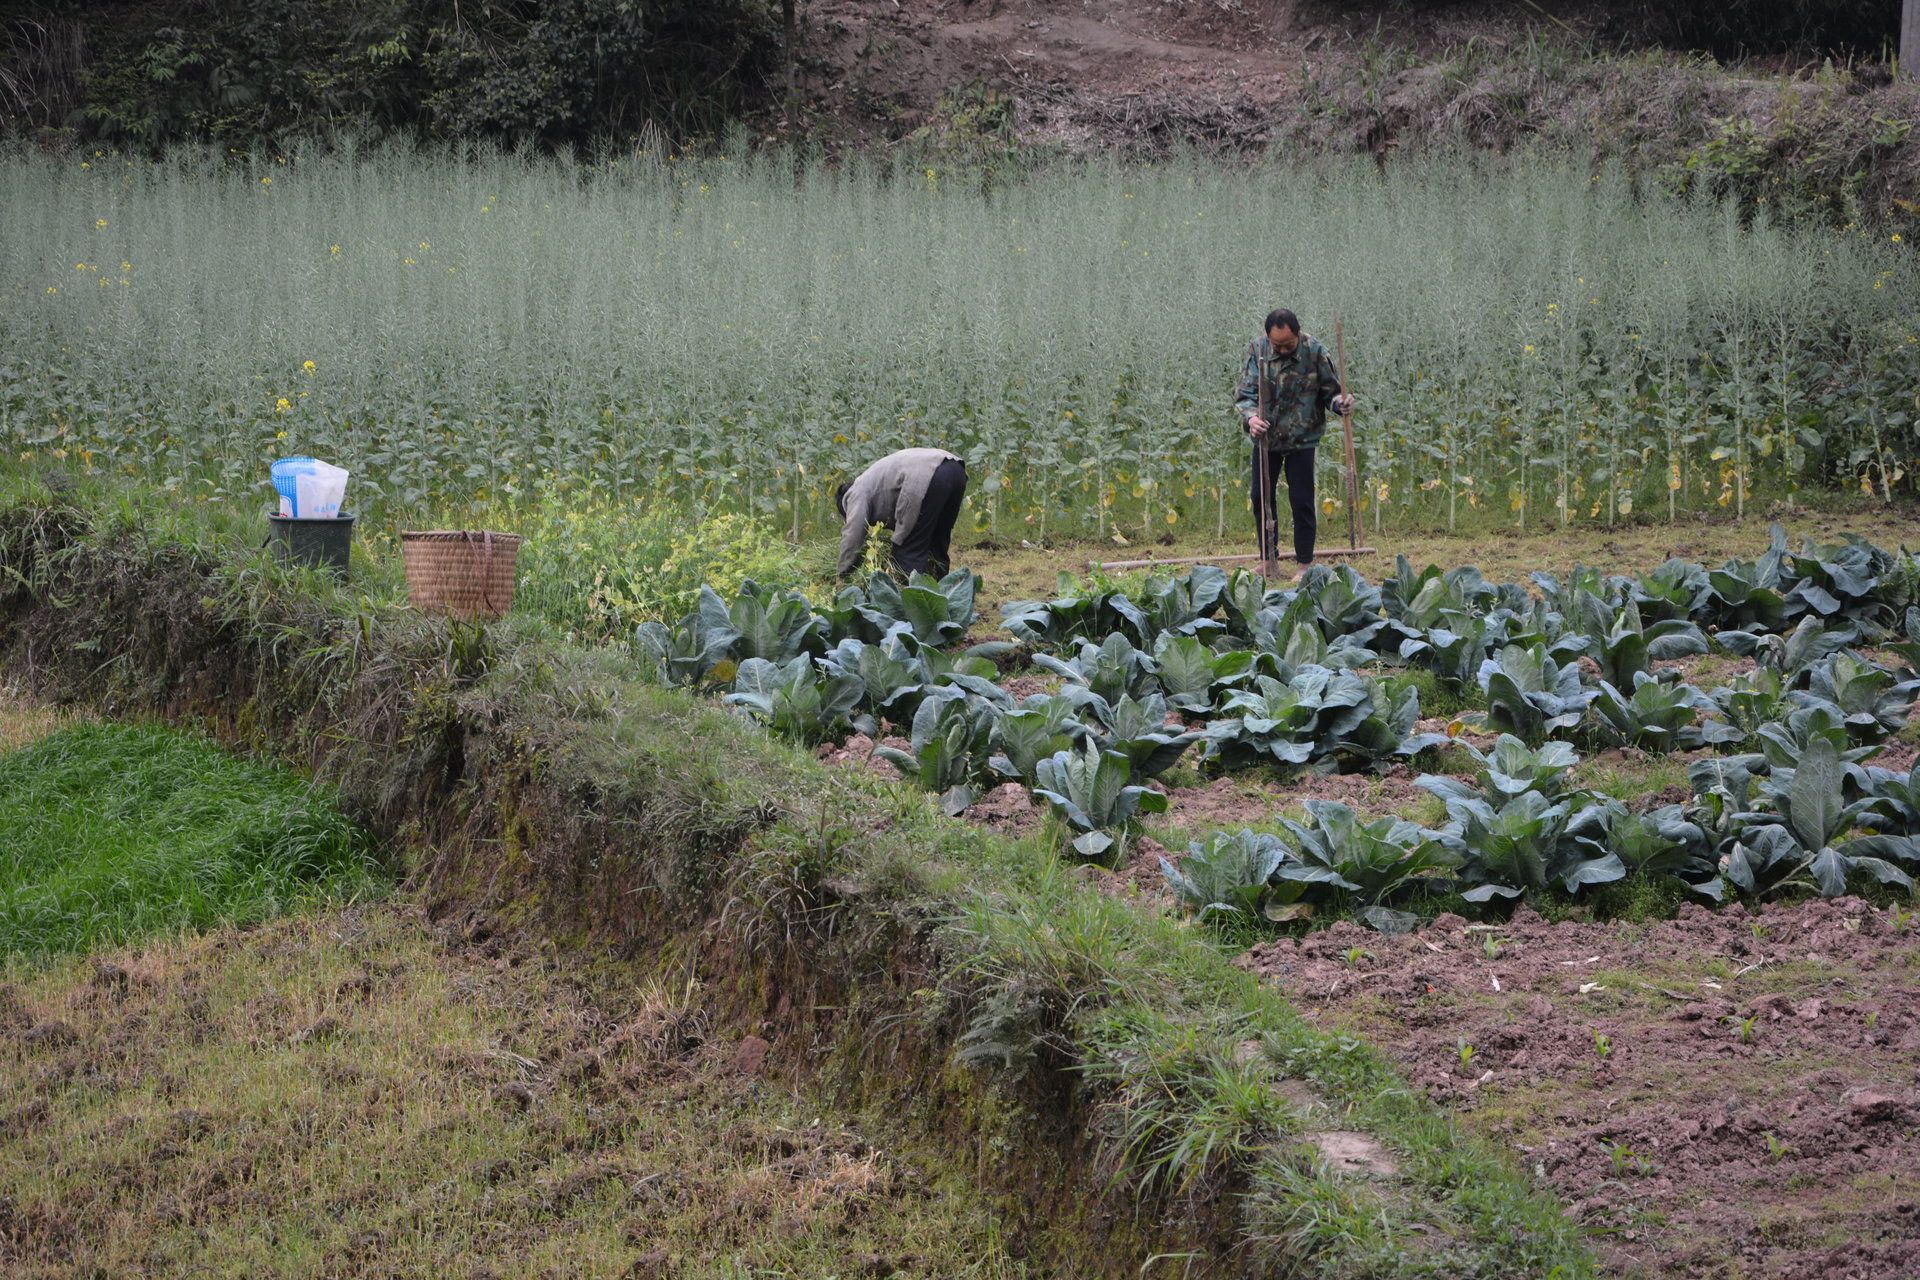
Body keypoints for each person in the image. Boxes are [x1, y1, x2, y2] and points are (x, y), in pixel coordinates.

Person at [1233, 308, 1354, 581]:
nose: (1283, 350)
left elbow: (1332, 394)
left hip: (1303, 437)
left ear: (1297, 334)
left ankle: (1304, 564)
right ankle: (1268, 561)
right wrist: (1251, 418)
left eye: (1288, 344)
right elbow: (1245, 394)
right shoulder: (1257, 350)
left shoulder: (1315, 351)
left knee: (1301, 501)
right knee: (1260, 499)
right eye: (1278, 345)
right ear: (1268, 338)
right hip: (1266, 438)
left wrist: (1341, 404)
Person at [835, 447, 968, 579]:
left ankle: (914, 597)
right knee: (937, 545)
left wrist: (843, 573)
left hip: (926, 475)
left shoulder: (854, 493)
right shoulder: (871, 480)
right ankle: (943, 591)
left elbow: (854, 533)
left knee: (908, 551)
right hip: (955, 469)